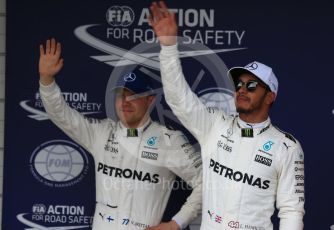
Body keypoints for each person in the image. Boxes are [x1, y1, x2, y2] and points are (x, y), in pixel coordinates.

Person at [149, 1, 305, 230]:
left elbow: (291, 211)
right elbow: (178, 99)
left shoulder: (287, 147)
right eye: (239, 84)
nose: (242, 89)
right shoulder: (214, 125)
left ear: (270, 96)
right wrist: (169, 48)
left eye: (252, 85)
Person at [38, 38, 203, 230]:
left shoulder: (168, 141)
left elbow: (206, 182)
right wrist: (47, 80)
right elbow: (60, 115)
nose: (125, 101)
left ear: (149, 100)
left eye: (133, 95)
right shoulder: (100, 133)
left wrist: (177, 224)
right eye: (120, 95)